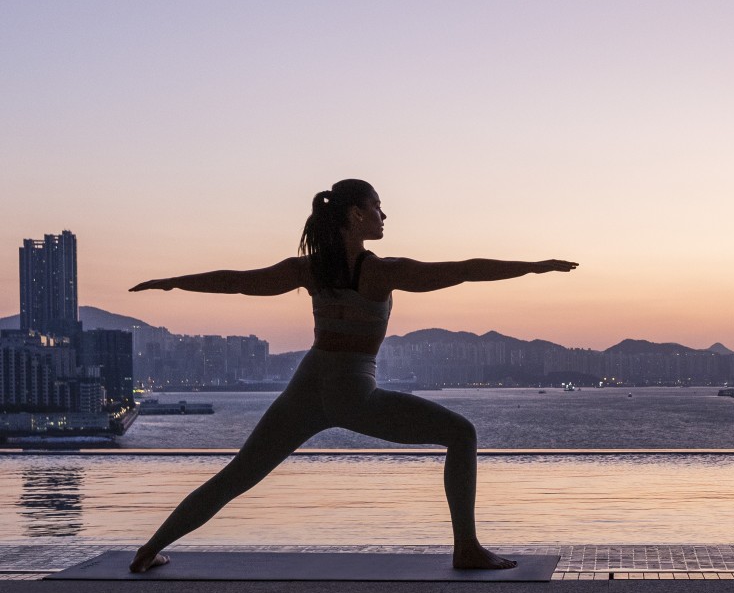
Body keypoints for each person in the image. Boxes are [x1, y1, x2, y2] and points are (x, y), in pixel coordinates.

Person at [128, 179, 578, 572]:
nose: (385, 215)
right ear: (356, 214)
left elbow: (236, 281)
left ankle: (150, 549)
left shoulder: (308, 269)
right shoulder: (380, 273)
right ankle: (467, 548)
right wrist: (535, 266)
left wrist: (172, 282)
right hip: (350, 391)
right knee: (461, 434)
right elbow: (461, 272)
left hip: (307, 385)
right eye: (378, 207)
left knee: (238, 475)